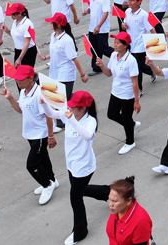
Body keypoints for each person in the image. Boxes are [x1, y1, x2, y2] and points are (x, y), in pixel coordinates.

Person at [40, 91, 108, 245]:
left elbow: (87, 136)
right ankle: (108, 192)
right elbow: (52, 113)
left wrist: (72, 121)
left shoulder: (90, 121)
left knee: (75, 198)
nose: (69, 108)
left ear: (83, 108)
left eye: (73, 106)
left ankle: (80, 231)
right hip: (71, 164)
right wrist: (44, 103)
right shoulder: (69, 113)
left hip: (84, 167)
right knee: (80, 190)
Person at [1, 65, 59, 205]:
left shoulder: (39, 93)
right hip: (29, 133)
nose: (18, 82)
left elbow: (48, 116)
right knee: (43, 159)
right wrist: (10, 98)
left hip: (40, 135)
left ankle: (47, 185)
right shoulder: (24, 92)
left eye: (21, 80)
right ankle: (52, 179)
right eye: (17, 80)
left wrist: (50, 136)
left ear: (30, 78)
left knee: (32, 165)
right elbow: (20, 110)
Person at [37, 13, 88, 130]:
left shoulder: (67, 40)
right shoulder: (53, 36)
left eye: (52, 22)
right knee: (64, 98)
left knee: (60, 100)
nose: (50, 24)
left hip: (65, 74)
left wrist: (82, 74)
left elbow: (74, 58)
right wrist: (45, 57)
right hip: (54, 72)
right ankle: (82, 103)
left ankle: (61, 123)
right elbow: (55, 51)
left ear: (58, 25)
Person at [94, 32, 141, 155]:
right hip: (115, 92)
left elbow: (135, 83)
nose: (114, 45)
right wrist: (102, 66)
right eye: (114, 42)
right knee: (111, 114)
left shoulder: (131, 60)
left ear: (125, 45)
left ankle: (130, 142)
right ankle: (132, 124)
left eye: (118, 42)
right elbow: (109, 73)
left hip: (127, 95)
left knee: (126, 118)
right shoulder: (114, 56)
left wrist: (136, 101)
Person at [122, 0, 156, 96]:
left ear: (139, 2)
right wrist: (124, 26)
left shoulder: (144, 15)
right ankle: (152, 71)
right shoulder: (127, 11)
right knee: (139, 66)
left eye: (132, 0)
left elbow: (152, 29)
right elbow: (125, 23)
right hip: (130, 44)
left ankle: (139, 89)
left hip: (141, 46)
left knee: (136, 68)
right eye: (129, 0)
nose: (130, 2)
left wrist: (154, 47)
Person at [105, 177, 153, 245]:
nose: (110, 204)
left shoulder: (141, 221)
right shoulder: (117, 210)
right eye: (109, 199)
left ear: (128, 201)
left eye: (114, 201)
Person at [83, 0, 113, 76]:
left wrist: (99, 26)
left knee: (103, 48)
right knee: (94, 49)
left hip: (102, 29)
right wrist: (86, 12)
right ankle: (96, 68)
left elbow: (106, 13)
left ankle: (119, 55)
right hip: (92, 28)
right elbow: (90, 8)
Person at [4, 3, 38, 67]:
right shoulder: (15, 22)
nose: (11, 16)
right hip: (18, 50)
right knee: (18, 73)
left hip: (27, 52)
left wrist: (19, 58)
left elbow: (26, 43)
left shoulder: (27, 24)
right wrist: (7, 30)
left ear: (19, 13)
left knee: (26, 74)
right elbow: (16, 36)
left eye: (13, 14)